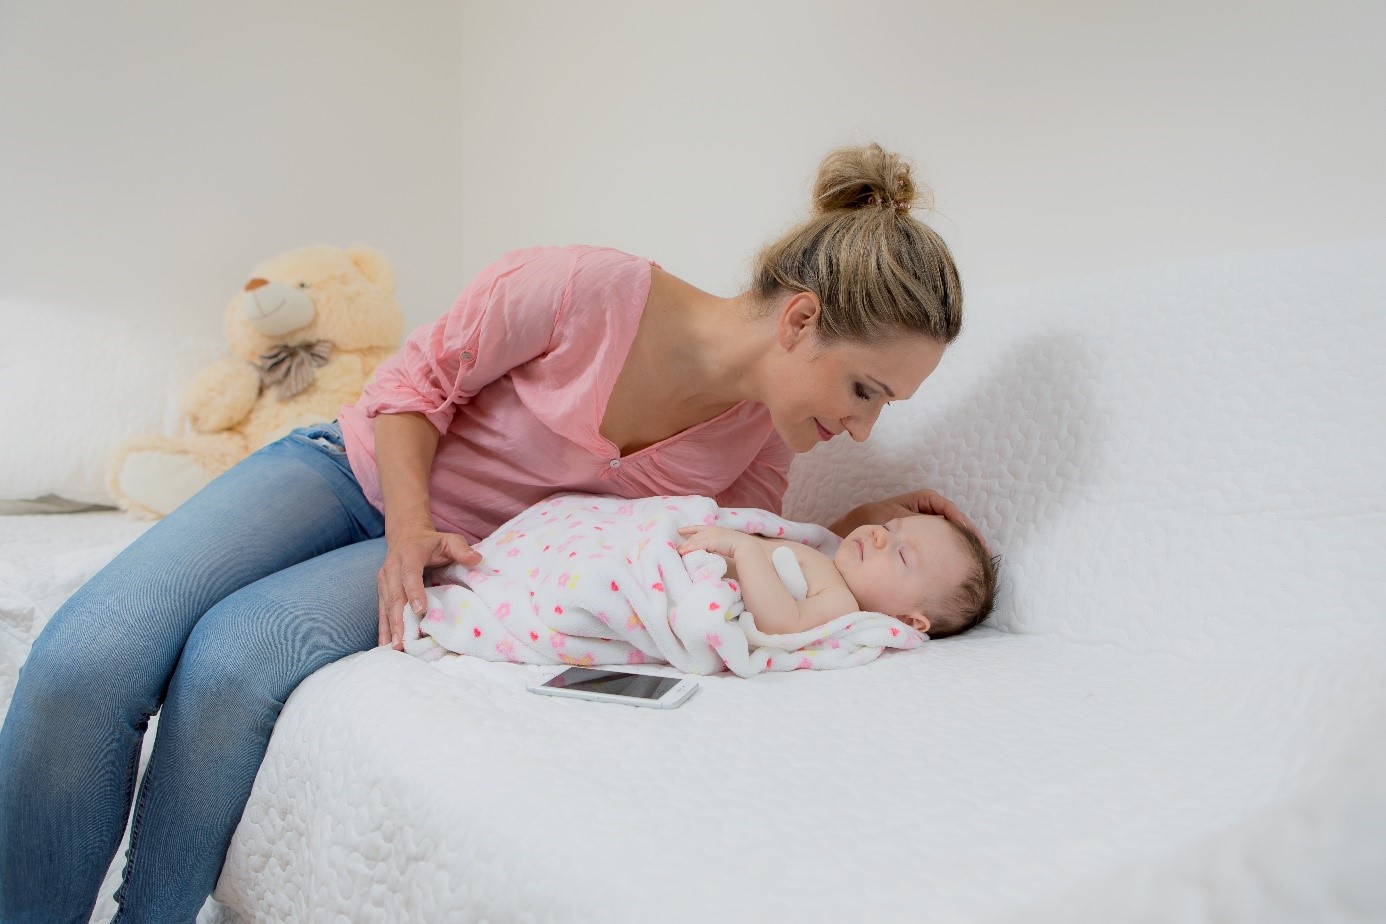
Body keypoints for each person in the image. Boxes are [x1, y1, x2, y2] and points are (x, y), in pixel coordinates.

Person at [0, 142, 982, 921]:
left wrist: (861, 528)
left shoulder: (755, 447)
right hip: (347, 475)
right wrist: (409, 527)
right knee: (87, 657)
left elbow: (756, 546)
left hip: (469, 561)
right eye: (866, 390)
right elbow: (410, 387)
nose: (863, 424)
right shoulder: (581, 289)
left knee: (232, 662)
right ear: (801, 319)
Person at [678, 511, 997, 639]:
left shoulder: (841, 604)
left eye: (901, 554)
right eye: (889, 526)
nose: (878, 536)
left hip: (682, 578)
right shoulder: (828, 553)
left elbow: (781, 621)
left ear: (909, 620)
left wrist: (746, 550)